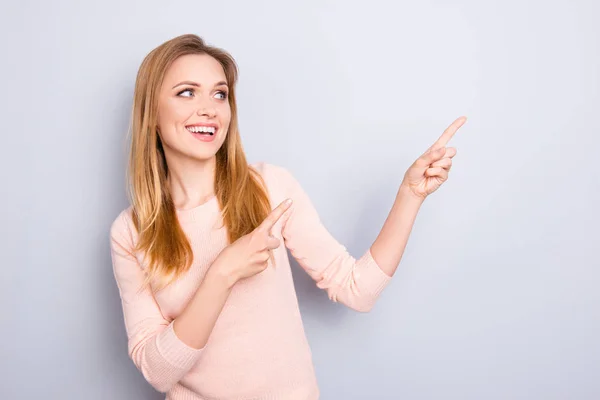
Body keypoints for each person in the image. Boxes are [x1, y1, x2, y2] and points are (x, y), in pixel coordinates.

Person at [109, 33, 466, 400]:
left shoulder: (270, 187)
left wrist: (411, 195)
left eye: (220, 94)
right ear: (150, 113)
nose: (209, 108)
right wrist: (222, 273)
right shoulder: (131, 232)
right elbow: (157, 371)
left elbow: (357, 289)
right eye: (187, 92)